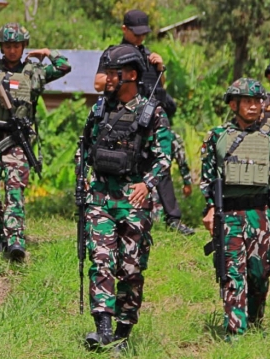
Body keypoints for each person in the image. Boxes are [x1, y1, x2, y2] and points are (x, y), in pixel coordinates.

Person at [80, 44, 172, 351]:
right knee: (101, 259)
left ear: (130, 75)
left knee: (131, 269)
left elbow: (164, 157)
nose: (105, 78)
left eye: (111, 73)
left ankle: (123, 332)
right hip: (101, 198)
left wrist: (147, 184)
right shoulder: (99, 109)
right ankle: (102, 328)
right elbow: (85, 149)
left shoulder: (151, 113)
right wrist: (85, 182)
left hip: (133, 200)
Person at [0, 22, 71, 261]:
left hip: (18, 141)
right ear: (1, 47)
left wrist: (48, 53)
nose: (12, 50)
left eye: (16, 45)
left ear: (24, 46)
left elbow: (64, 66)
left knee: (14, 191)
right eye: (7, 45)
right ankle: (0, 235)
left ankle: (16, 240)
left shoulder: (34, 71)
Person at [200, 78, 270, 342]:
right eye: (248, 101)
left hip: (261, 214)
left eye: (257, 101)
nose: (254, 106)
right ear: (234, 104)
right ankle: (235, 331)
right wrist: (209, 208)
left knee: (259, 272)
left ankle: (254, 320)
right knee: (232, 273)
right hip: (228, 215)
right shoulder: (217, 137)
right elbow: (207, 177)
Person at [94, 9, 193, 235]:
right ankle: (110, 208)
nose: (140, 38)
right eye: (136, 33)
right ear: (124, 30)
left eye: (143, 34)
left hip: (148, 117)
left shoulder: (148, 55)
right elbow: (99, 83)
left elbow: (160, 86)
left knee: (162, 162)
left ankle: (173, 218)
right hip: (122, 118)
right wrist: (119, 75)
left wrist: (159, 68)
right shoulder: (113, 54)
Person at [149, 128, 193, 230]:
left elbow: (182, 161)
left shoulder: (171, 135)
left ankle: (172, 221)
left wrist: (187, 182)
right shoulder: (144, 132)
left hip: (161, 176)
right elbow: (182, 162)